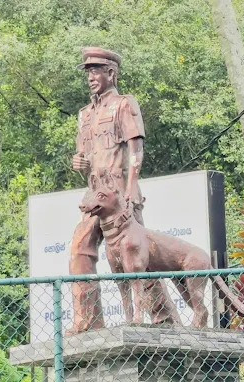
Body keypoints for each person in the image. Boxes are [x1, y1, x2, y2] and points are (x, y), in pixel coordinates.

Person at [68, 47, 179, 334]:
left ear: (111, 73)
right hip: (96, 195)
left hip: (120, 193)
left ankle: (164, 318)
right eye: (88, 72)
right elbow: (85, 158)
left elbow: (136, 150)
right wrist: (78, 162)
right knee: (81, 246)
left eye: (96, 71)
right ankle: (88, 320)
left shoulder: (123, 105)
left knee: (139, 257)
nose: (91, 77)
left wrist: (131, 188)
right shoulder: (85, 115)